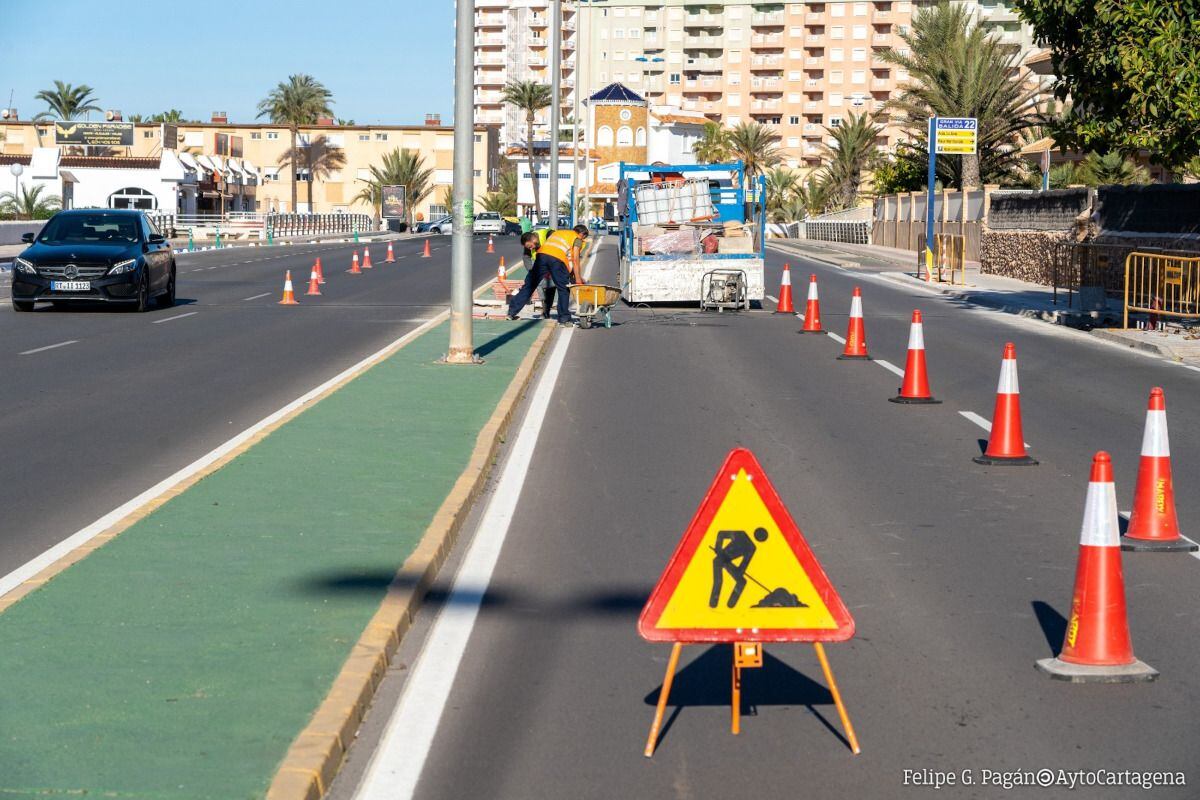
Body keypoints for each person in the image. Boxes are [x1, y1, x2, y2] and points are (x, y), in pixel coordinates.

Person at [508, 224, 590, 325]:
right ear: (581, 234)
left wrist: (574, 276)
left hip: (541, 256)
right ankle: (564, 319)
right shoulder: (577, 238)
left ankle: (511, 312)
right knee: (563, 288)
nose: (583, 239)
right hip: (557, 259)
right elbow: (575, 260)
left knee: (529, 285)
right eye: (584, 237)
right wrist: (578, 280)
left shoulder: (559, 233)